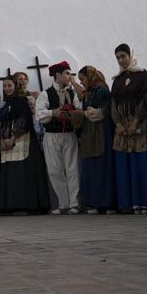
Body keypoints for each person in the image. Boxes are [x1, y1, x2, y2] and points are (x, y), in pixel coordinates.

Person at [110, 44, 147, 213]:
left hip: (141, 125)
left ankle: (146, 202)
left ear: (130, 55)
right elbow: (113, 104)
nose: (121, 60)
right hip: (123, 129)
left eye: (123, 56)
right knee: (126, 164)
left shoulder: (143, 75)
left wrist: (135, 121)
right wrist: (118, 123)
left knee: (141, 163)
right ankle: (130, 203)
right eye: (118, 57)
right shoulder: (117, 80)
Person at [0, 75, 50, 214]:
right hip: (8, 143)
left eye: (9, 85)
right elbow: (0, 122)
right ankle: (12, 205)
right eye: (5, 86)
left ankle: (26, 205)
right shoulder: (6, 104)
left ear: (16, 86)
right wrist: (2, 138)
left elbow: (24, 120)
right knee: (12, 175)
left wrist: (13, 137)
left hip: (23, 140)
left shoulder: (22, 101)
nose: (7, 88)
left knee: (23, 175)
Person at [36, 62, 83, 214]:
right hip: (52, 135)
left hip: (69, 134)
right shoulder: (45, 94)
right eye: (67, 73)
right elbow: (39, 114)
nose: (70, 77)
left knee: (72, 169)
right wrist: (52, 113)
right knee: (55, 170)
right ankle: (63, 204)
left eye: (70, 74)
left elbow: (80, 108)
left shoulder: (73, 93)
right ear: (57, 75)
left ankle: (74, 204)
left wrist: (74, 114)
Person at [73, 65, 116, 213]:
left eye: (83, 79)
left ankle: (107, 203)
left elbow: (106, 111)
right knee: (91, 168)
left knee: (102, 167)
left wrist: (86, 113)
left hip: (101, 133)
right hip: (89, 134)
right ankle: (94, 203)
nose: (82, 82)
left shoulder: (103, 90)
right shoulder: (89, 92)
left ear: (90, 77)